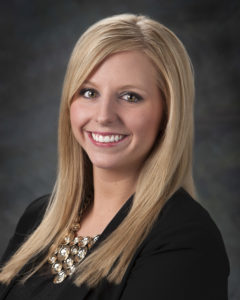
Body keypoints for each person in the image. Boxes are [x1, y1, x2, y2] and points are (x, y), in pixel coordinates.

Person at [0, 13, 229, 300]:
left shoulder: (184, 240)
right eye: (89, 92)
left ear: (168, 114)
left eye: (130, 96)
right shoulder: (39, 218)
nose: (104, 116)